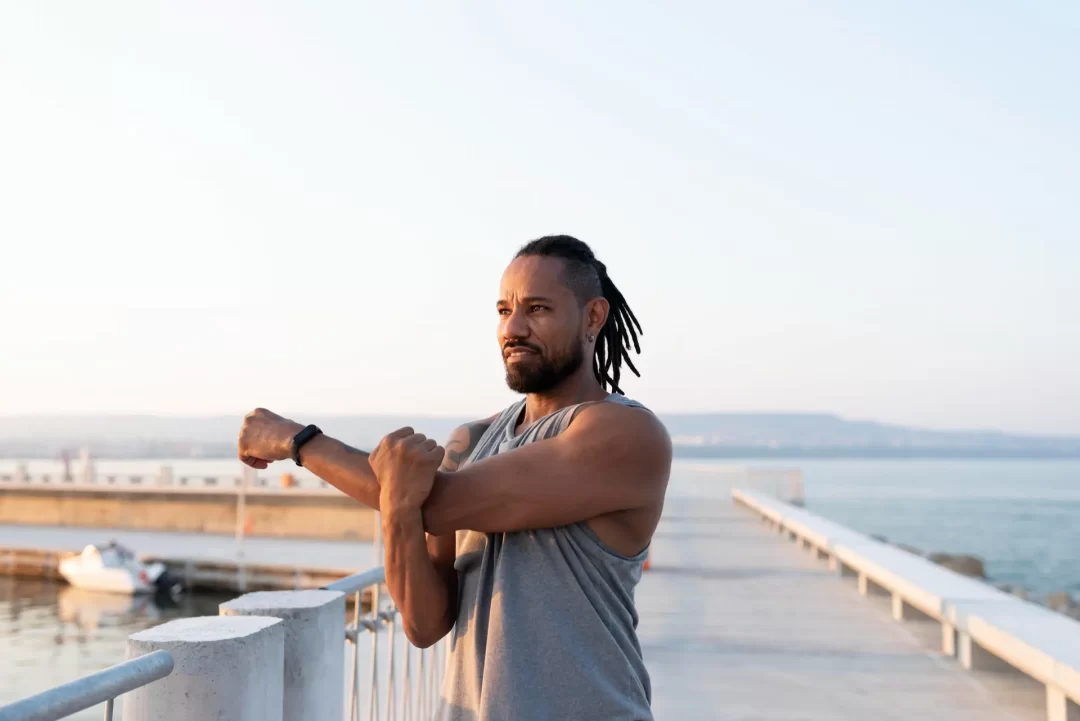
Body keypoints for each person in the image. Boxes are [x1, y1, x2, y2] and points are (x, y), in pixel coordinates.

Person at [237, 235, 671, 721]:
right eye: (504, 310)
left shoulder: (625, 433)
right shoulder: (473, 439)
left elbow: (439, 503)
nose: (514, 328)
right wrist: (399, 509)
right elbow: (424, 623)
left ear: (593, 317)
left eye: (538, 309)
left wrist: (299, 441)